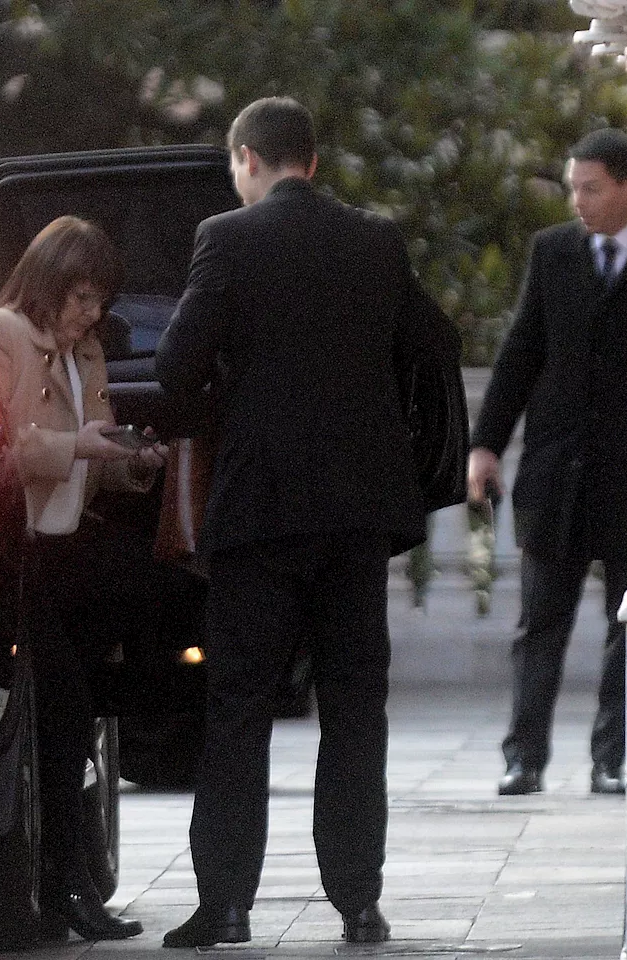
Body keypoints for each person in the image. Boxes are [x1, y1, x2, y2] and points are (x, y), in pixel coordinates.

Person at [155, 96, 433, 948]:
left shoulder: (227, 239)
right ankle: (358, 901)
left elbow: (173, 366)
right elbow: (433, 343)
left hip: (261, 512)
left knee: (238, 705)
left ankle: (228, 904)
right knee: (356, 708)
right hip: (356, 515)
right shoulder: (377, 241)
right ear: (310, 161)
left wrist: (230, 409)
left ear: (246, 158)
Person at [0, 215, 166, 942]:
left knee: (81, 718)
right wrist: (78, 445)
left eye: (99, 299)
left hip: (71, 554)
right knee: (67, 714)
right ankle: (64, 887)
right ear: (48, 283)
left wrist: (129, 463)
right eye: (80, 296)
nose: (91, 313)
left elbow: (88, 465)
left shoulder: (87, 355)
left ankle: (69, 886)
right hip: (20, 557)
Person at [468, 128, 627, 798]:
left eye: (590, 188)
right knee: (539, 624)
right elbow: (521, 351)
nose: (578, 201)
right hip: (557, 472)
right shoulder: (553, 251)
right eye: (572, 188)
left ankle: (611, 757)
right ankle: (524, 756)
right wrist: (486, 445)